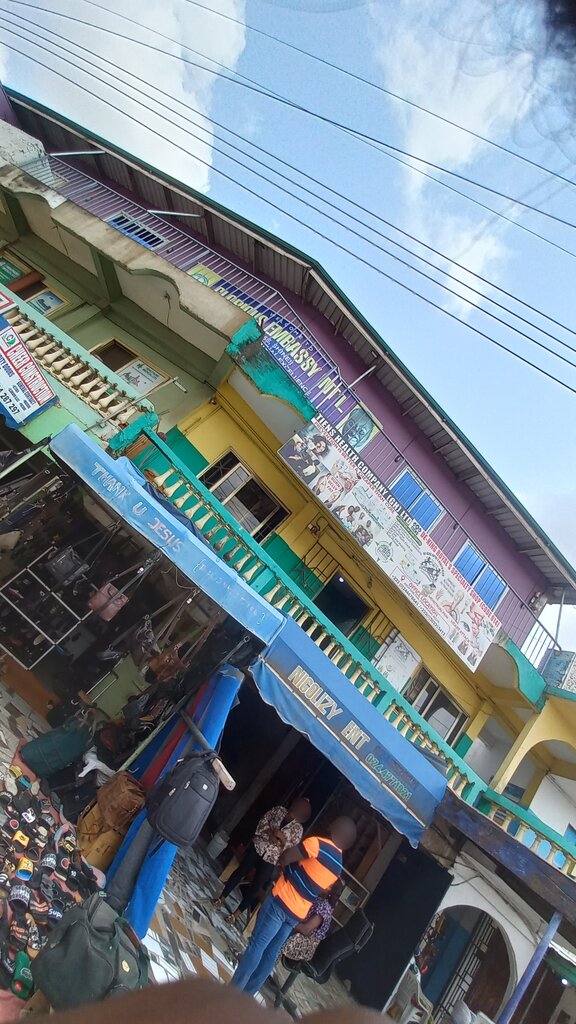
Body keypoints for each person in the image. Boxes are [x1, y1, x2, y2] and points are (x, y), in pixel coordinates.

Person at [230, 816, 357, 997]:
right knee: (271, 953)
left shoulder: (317, 843)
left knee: (257, 945)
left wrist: (285, 856)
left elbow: (286, 857)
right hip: (297, 913)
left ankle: (232, 993)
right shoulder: (338, 868)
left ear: (336, 828)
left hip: (281, 902)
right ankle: (247, 995)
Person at [213, 798, 312, 925]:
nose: (298, 807)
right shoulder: (279, 810)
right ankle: (221, 898)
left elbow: (291, 848)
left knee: (256, 887)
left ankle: (235, 915)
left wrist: (282, 840)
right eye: (298, 804)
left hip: (272, 859)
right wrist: (270, 834)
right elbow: (263, 821)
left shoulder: (298, 830)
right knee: (241, 871)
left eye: (302, 808)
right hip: (259, 846)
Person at [281, 880, 344, 964]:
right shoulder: (320, 899)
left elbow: (305, 929)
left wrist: (286, 918)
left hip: (302, 943)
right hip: (298, 934)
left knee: (281, 929)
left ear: (331, 890)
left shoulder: (325, 907)